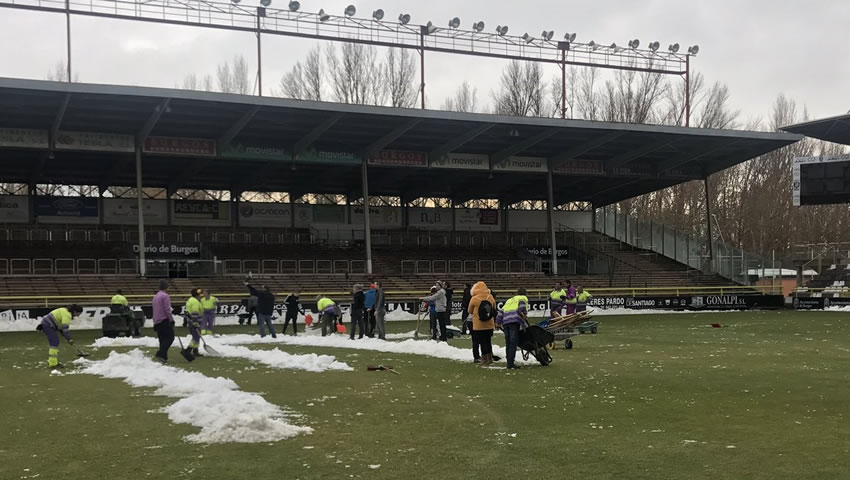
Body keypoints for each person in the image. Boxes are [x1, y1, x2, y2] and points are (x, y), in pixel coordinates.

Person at [37, 304, 83, 368]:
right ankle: (53, 363)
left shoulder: (65, 310)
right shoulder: (67, 315)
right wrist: (69, 338)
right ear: (75, 311)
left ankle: (52, 361)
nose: (78, 316)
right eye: (78, 314)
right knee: (54, 343)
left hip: (48, 324)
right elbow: (65, 328)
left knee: (55, 342)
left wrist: (62, 332)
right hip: (48, 325)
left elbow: (59, 323)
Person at [498, 288, 529, 370]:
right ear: (525, 294)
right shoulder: (523, 298)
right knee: (513, 342)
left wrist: (498, 322)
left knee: (508, 342)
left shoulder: (510, 300)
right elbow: (521, 308)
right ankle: (510, 363)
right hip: (514, 321)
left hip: (505, 322)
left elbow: (501, 311)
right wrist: (524, 316)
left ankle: (509, 361)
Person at [468, 281, 496, 365]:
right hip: (489, 324)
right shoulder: (490, 297)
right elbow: (494, 308)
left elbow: (469, 311)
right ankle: (490, 358)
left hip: (478, 324)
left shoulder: (474, 298)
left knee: (482, 342)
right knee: (488, 341)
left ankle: (484, 359)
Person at [151, 279, 175, 363]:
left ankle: (163, 357)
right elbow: (167, 309)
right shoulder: (165, 296)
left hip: (157, 320)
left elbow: (154, 310)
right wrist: (171, 319)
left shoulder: (155, 296)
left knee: (162, 339)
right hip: (164, 320)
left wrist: (154, 322)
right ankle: (161, 354)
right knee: (170, 338)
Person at [185, 288, 204, 357]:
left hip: (191, 321)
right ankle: (188, 350)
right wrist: (195, 323)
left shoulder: (190, 300)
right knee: (196, 337)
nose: (201, 296)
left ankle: (195, 351)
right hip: (195, 322)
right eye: (200, 295)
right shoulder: (195, 302)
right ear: (197, 295)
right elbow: (195, 313)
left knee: (197, 336)